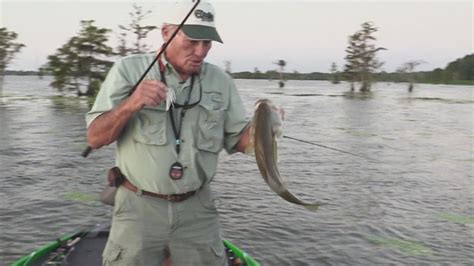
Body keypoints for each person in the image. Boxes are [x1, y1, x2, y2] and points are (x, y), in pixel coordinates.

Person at [85, 1, 250, 265]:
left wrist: (268, 128)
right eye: (192, 41)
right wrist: (130, 104)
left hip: (198, 209)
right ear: (165, 33)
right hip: (137, 206)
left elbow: (240, 141)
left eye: (207, 43)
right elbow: (95, 137)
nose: (200, 52)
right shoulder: (129, 70)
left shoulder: (221, 81)